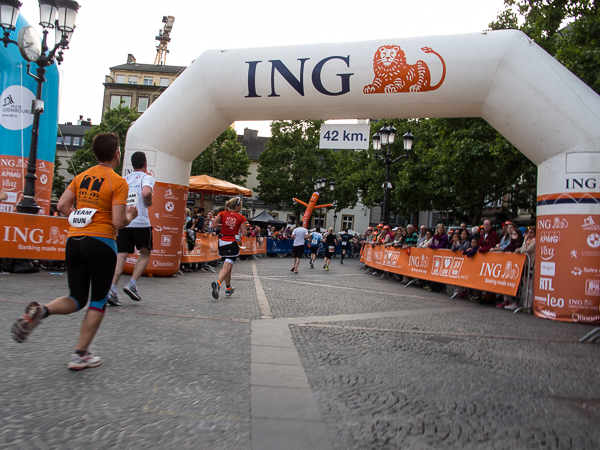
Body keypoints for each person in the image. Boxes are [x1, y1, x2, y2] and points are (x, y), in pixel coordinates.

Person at [10, 132, 137, 370]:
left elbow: (61, 205)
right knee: (98, 299)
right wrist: (131, 215)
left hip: (75, 240)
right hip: (102, 241)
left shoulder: (81, 176)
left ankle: (43, 310)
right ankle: (80, 354)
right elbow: (119, 222)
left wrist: (78, 217)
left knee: (77, 297)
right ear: (116, 153)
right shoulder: (118, 181)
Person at [108, 151, 155, 305]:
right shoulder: (147, 177)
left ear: (132, 164)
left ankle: (112, 289)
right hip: (140, 221)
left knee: (121, 255)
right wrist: (149, 202)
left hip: (125, 220)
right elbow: (146, 192)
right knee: (145, 253)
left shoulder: (124, 179)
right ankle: (132, 284)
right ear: (145, 164)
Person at [210, 197, 248, 299]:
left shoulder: (222, 213)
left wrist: (222, 224)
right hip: (232, 242)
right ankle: (218, 283)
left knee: (227, 266)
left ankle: (228, 288)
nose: (241, 208)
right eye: (240, 206)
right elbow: (244, 233)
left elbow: (213, 225)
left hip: (222, 242)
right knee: (227, 266)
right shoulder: (241, 217)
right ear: (236, 206)